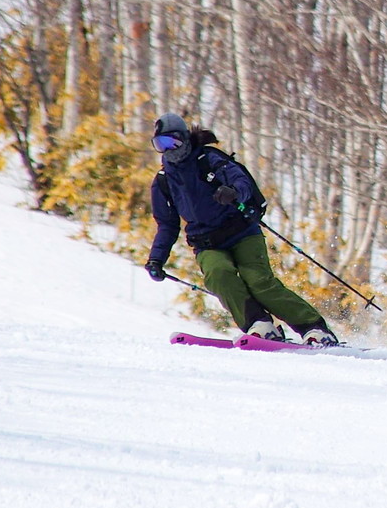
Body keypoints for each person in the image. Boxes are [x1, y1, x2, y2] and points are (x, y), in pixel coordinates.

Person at [143, 112, 339, 345]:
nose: (168, 149)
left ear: (185, 138)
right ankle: (260, 325)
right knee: (218, 276)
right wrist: (156, 259)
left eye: (171, 141)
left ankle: (314, 327)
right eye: (160, 144)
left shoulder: (209, 159)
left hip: (242, 233)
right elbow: (167, 225)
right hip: (207, 243)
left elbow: (241, 181)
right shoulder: (164, 180)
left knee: (258, 281)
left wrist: (233, 193)